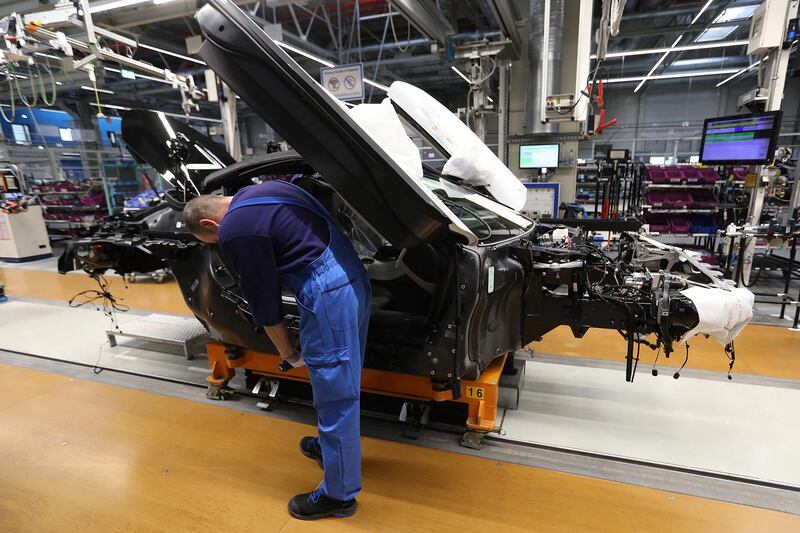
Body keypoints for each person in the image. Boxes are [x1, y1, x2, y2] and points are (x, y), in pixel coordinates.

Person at [183, 178, 371, 520]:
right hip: (350, 274)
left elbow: (265, 302)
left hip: (328, 293)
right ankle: (333, 450)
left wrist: (287, 352)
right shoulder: (265, 189)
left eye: (211, 241)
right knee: (344, 381)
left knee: (334, 395)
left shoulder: (235, 230)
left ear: (211, 225)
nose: (218, 244)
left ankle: (338, 494)